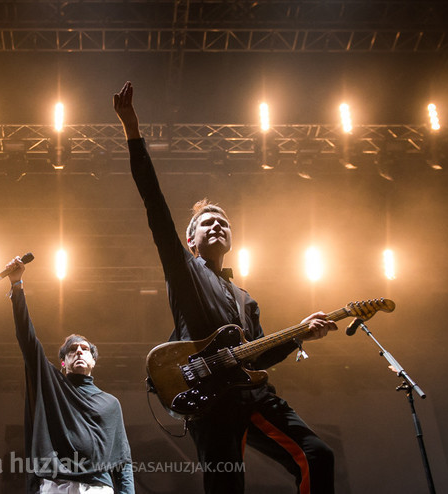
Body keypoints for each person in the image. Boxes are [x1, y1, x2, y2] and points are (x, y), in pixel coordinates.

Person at [113, 81, 337, 493]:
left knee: (318, 454)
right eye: (207, 222)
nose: (217, 225)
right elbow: (155, 205)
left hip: (252, 395)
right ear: (190, 239)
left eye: (224, 223)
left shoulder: (245, 299)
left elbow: (261, 353)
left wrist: (302, 333)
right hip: (209, 400)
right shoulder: (185, 272)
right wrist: (132, 132)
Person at [4, 256, 135, 494]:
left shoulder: (110, 404)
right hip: (58, 485)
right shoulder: (55, 387)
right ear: (63, 363)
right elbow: (28, 341)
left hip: (98, 487)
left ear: (94, 361)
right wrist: (16, 285)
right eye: (72, 350)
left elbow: (122, 462)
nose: (79, 352)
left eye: (85, 349)